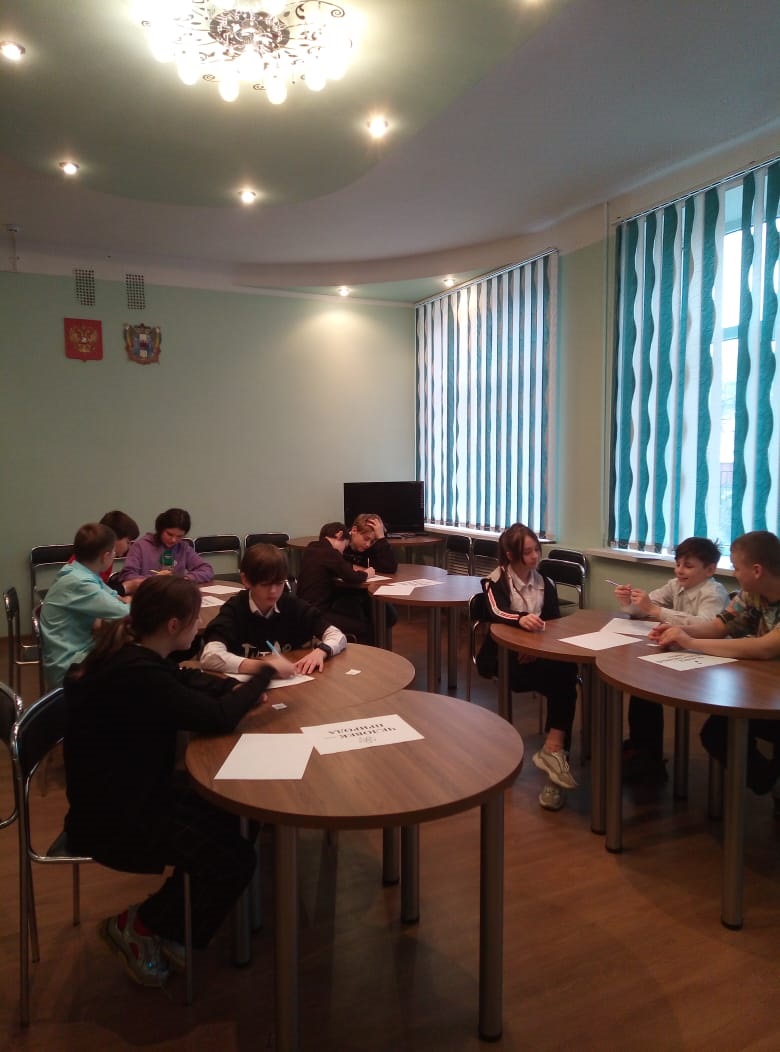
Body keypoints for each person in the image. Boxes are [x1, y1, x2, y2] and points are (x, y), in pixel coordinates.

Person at [63, 576, 284, 988]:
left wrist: (230, 686)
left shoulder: (136, 655)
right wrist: (263, 675)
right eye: (194, 618)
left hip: (130, 792)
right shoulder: (138, 674)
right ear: (172, 625)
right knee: (235, 857)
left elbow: (183, 680)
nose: (199, 624)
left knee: (239, 811)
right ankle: (141, 925)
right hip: (115, 817)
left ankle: (174, 923)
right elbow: (216, 717)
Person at [653, 530, 780, 795]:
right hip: (766, 687)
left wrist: (691, 642)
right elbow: (719, 626)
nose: (734, 573)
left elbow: (765, 648)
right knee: (717, 733)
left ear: (757, 570)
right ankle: (766, 781)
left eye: (736, 568)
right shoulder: (751, 594)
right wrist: (679, 631)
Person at [476, 523, 579, 812]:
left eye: (537, 550)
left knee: (566, 673)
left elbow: (553, 626)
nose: (535, 556)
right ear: (511, 555)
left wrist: (536, 648)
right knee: (564, 682)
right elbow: (495, 611)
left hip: (537, 654)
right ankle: (555, 753)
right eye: (528, 552)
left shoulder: (546, 583)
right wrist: (520, 620)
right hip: (504, 656)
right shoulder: (495, 580)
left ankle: (554, 751)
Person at [613, 536, 729, 781]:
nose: (679, 571)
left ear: (710, 569)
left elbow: (708, 625)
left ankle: (647, 755)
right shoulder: (675, 585)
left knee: (649, 685)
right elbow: (648, 606)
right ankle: (644, 751)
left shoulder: (714, 592)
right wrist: (630, 603)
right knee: (641, 685)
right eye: (677, 564)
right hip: (680, 653)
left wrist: (656, 611)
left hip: (707, 662)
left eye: (688, 566)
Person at [201, 542, 347, 676]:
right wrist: (263, 667)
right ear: (246, 580)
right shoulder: (235, 609)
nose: (273, 591)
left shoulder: (292, 605)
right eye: (265, 584)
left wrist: (321, 651)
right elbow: (210, 655)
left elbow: (337, 635)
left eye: (279, 583)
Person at [40, 522, 131, 688]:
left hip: (76, 655)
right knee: (133, 664)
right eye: (113, 553)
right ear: (105, 556)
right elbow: (126, 613)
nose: (114, 556)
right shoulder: (80, 583)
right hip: (69, 668)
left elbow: (113, 597)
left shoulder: (78, 572)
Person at [296, 522, 376, 643]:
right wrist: (367, 573)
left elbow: (337, 567)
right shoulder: (330, 552)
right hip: (318, 613)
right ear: (339, 535)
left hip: (302, 610)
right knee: (364, 628)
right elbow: (352, 577)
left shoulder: (311, 548)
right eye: (345, 545)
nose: (342, 552)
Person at [119, 508, 213, 593]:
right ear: (160, 529)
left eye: (179, 536)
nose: (174, 540)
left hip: (173, 595)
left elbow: (207, 570)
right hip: (147, 595)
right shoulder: (141, 546)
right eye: (169, 534)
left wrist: (185, 579)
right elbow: (127, 576)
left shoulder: (183, 548)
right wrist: (156, 580)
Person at [66, 510, 139, 593]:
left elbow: (102, 588)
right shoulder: (92, 560)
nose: (129, 547)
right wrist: (126, 587)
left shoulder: (105, 557)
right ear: (113, 538)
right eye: (128, 542)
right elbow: (94, 592)